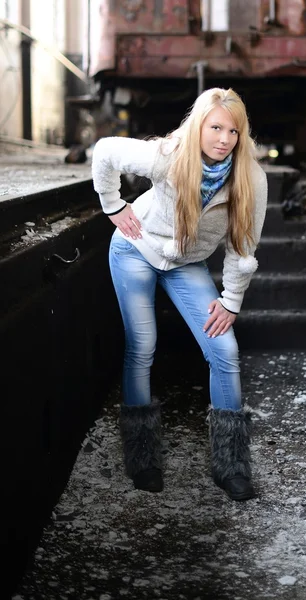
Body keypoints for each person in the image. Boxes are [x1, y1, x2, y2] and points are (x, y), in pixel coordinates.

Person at [91, 87, 268, 502]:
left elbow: (243, 247)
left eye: (233, 131)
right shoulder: (170, 155)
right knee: (143, 345)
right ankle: (143, 458)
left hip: (187, 265)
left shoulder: (251, 178)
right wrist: (112, 204)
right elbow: (105, 151)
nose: (224, 138)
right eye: (216, 127)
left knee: (223, 349)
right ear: (199, 125)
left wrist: (230, 302)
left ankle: (231, 465)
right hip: (137, 248)